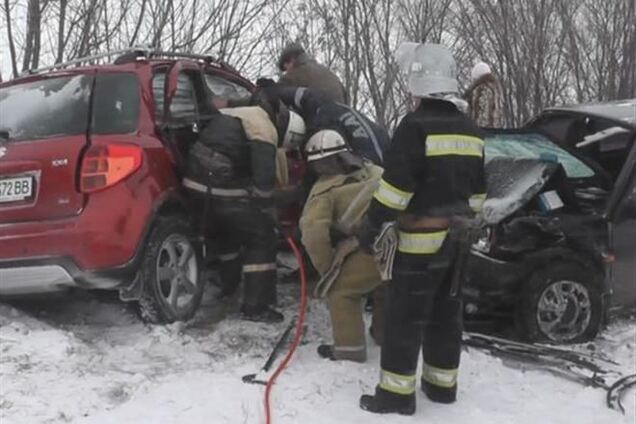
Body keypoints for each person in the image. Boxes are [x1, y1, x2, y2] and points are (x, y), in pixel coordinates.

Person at [357, 43, 486, 415]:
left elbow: (396, 190)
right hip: (458, 242)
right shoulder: (471, 130)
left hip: (419, 243)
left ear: (418, 86)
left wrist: (372, 226)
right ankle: (442, 386)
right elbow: (478, 194)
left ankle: (396, 396)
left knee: (404, 318)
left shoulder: (414, 127)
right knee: (447, 315)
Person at [182, 100, 306, 323]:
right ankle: (256, 306)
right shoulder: (265, 130)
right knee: (262, 237)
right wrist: (270, 213)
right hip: (221, 186)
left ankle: (229, 286)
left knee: (228, 232)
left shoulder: (242, 113)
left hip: (194, 185)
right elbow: (263, 186)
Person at [299, 129, 385, 362]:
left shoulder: (325, 191)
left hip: (370, 247)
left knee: (342, 291)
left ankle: (350, 351)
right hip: (404, 245)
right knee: (385, 284)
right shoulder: (376, 171)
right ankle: (384, 334)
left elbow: (313, 234)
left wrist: (327, 269)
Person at [270, 84, 389, 166]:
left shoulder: (322, 130)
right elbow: (305, 95)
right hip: (383, 149)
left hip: (376, 164)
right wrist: (274, 91)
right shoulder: (323, 108)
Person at [278, 42, 347, 104]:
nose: (286, 70)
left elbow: (274, 92)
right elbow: (345, 96)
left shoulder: (296, 74)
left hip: (320, 116)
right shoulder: (329, 73)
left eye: (286, 63)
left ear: (292, 59)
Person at [464, 61, 502, 127]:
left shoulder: (481, 90)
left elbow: (482, 116)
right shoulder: (495, 89)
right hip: (495, 132)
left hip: (481, 132)